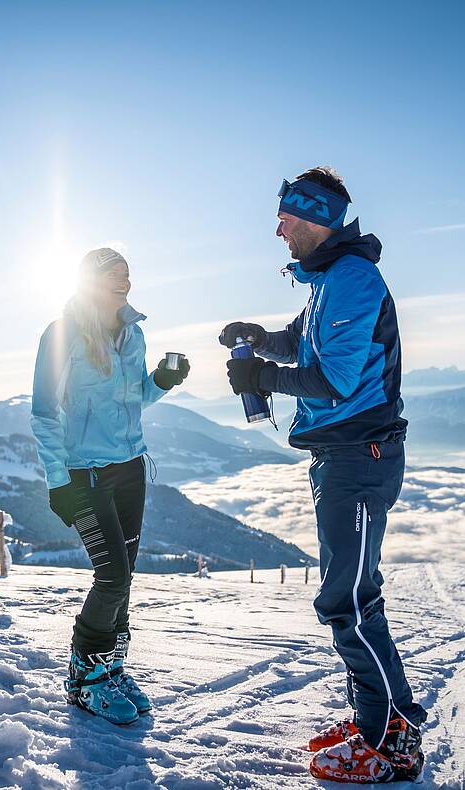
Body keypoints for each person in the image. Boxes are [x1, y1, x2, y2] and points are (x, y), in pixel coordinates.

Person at [220, 167, 426, 783]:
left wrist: (261, 378)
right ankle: (383, 725)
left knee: (348, 601)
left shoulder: (353, 278)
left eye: (285, 215)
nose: (277, 227)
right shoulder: (330, 281)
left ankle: (384, 741)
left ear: (314, 216)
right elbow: (308, 347)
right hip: (342, 457)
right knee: (356, 597)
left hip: (358, 457)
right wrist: (262, 341)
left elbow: (333, 381)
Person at [31, 247, 190, 725]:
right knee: (112, 575)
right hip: (87, 474)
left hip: (130, 469)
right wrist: (59, 483)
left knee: (126, 577)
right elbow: (43, 413)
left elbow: (134, 396)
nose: (124, 281)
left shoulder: (133, 332)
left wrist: (161, 381)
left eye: (127, 273)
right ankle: (85, 673)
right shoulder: (61, 335)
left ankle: (112, 668)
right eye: (113, 274)